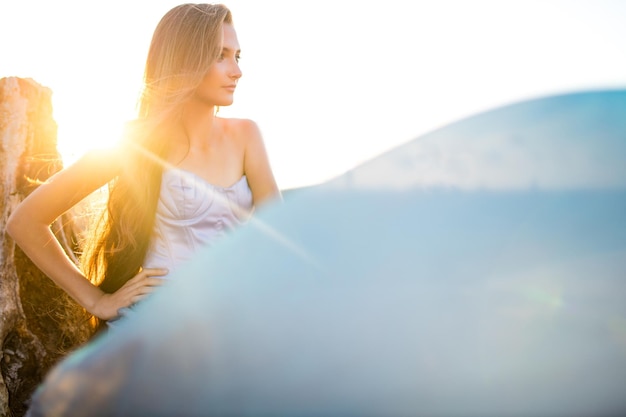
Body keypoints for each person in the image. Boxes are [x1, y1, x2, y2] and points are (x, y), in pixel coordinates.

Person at [7, 3, 281, 329]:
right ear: (184, 60)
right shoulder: (136, 142)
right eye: (219, 55)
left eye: (237, 56)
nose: (236, 71)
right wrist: (96, 300)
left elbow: (279, 239)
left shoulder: (246, 135)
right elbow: (25, 221)